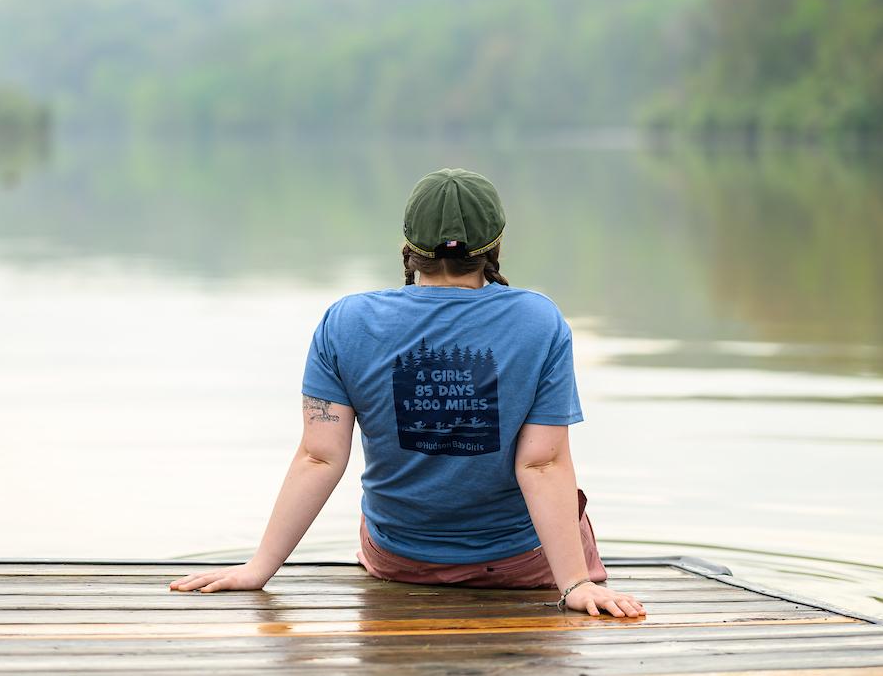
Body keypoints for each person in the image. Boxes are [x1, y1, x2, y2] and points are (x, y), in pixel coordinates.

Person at [171, 168, 645, 618]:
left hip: (399, 561)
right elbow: (541, 464)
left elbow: (319, 458)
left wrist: (258, 571)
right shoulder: (539, 321)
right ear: (494, 244)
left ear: (409, 245)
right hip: (520, 565)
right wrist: (575, 585)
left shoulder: (347, 322)